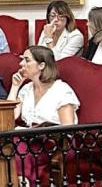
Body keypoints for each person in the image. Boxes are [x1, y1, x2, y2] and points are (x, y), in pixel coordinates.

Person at [8, 45, 80, 186]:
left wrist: (40, 132)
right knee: (9, 145)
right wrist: (15, 86)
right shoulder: (26, 89)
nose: (21, 63)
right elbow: (10, 116)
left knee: (17, 148)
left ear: (41, 65)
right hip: (30, 139)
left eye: (27, 60)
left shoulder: (61, 90)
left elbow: (68, 128)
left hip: (57, 142)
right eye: (22, 59)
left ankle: (25, 181)